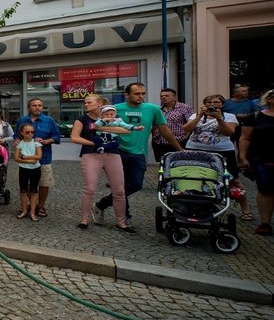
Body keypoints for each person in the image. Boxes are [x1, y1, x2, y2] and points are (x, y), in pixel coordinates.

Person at [92, 82, 182, 226]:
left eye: (143, 93)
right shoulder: (116, 108)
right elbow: (98, 126)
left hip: (139, 152)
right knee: (120, 186)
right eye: (137, 93)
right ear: (127, 95)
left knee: (135, 184)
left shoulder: (152, 109)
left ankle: (101, 204)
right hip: (117, 151)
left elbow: (164, 131)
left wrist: (180, 150)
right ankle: (124, 217)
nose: (141, 96)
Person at [182, 94, 253, 220]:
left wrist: (219, 118)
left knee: (233, 180)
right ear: (205, 104)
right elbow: (186, 129)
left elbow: (229, 132)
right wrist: (199, 116)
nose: (213, 104)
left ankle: (245, 208)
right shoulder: (195, 115)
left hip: (223, 151)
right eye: (209, 102)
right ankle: (197, 205)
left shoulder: (229, 116)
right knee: (196, 177)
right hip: (196, 150)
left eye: (216, 102)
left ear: (222, 104)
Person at [71, 94, 132, 232]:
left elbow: (126, 130)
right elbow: (74, 137)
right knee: (90, 189)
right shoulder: (82, 119)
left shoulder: (112, 117)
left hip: (112, 154)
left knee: (119, 190)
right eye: (85, 102)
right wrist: (95, 143)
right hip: (91, 154)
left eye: (89, 102)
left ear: (99, 104)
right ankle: (84, 220)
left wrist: (102, 129)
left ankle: (121, 222)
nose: (86, 104)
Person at [14, 98, 61, 217]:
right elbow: (16, 136)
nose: (37, 107)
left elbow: (56, 137)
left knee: (44, 183)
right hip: (25, 160)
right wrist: (17, 142)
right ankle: (31, 205)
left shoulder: (49, 120)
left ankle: (41, 206)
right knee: (28, 184)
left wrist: (45, 141)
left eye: (40, 105)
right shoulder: (22, 120)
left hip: (44, 157)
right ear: (29, 107)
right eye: (34, 105)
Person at [240, 88, 274, 236]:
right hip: (261, 157)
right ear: (269, 99)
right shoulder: (254, 117)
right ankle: (265, 222)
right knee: (265, 188)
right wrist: (242, 156)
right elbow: (245, 138)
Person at [152, 88, 193, 162]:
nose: (163, 97)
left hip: (178, 141)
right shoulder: (158, 109)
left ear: (174, 97)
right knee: (161, 164)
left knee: (177, 164)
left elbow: (192, 122)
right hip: (160, 142)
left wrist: (186, 135)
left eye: (167, 96)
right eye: (161, 96)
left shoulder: (184, 108)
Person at [13, 122, 43, 221]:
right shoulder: (20, 144)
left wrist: (25, 156)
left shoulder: (36, 143)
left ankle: (32, 212)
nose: (30, 134)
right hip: (23, 169)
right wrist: (29, 160)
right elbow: (16, 158)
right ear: (22, 133)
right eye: (27, 132)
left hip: (35, 169)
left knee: (34, 191)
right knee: (23, 191)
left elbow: (39, 156)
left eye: (32, 132)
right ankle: (24, 210)